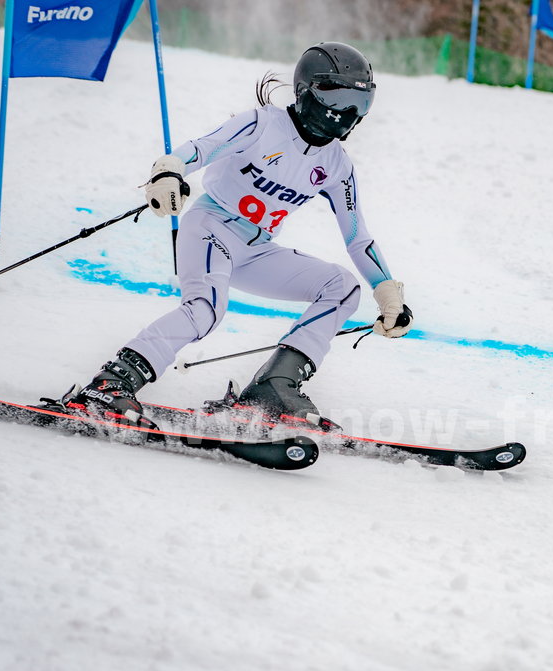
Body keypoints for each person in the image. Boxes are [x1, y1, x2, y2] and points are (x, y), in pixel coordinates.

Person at [67, 42, 411, 430]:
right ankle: (112, 383)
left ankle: (274, 388)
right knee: (206, 309)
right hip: (211, 226)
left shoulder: (336, 165)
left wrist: (387, 292)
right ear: (306, 91)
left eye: (360, 104)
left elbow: (356, 236)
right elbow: (202, 148)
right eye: (340, 97)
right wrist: (168, 171)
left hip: (254, 247)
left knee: (343, 288)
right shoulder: (264, 124)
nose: (348, 113)